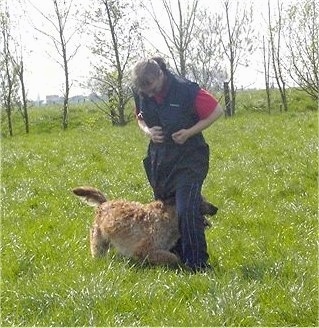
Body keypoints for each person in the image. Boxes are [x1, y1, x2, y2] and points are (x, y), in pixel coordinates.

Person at [131, 57, 223, 272]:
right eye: (146, 91)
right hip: (161, 162)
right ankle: (174, 258)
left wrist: (190, 132)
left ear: (160, 75)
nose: (150, 94)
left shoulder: (185, 90)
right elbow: (140, 117)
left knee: (186, 209)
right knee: (164, 213)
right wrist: (148, 132)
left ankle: (197, 264)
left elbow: (216, 111)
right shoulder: (141, 91)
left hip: (189, 159)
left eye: (152, 88)